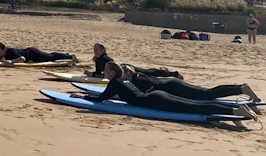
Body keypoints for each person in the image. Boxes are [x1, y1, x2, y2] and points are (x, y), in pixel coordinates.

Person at [72, 62, 258, 121]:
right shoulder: (122, 81)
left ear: (112, 72)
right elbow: (106, 96)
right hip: (156, 96)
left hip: (155, 101)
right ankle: (237, 108)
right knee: (193, 104)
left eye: (105, 70)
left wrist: (84, 96)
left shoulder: (115, 82)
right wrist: (93, 95)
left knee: (193, 108)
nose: (103, 72)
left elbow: (102, 99)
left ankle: (236, 110)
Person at [118, 65, 260, 103]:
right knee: (208, 92)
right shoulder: (139, 75)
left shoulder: (137, 79)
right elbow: (155, 72)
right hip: (172, 83)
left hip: (174, 87)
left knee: (208, 94)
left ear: (128, 73)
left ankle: (241, 89)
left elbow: (146, 92)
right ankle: (240, 88)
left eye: (122, 75)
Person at [85, 43, 183, 79]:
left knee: (149, 73)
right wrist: (92, 74)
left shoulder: (106, 59)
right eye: (94, 49)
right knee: (148, 72)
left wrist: (91, 75)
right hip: (123, 70)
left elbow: (110, 73)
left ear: (103, 50)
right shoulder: (98, 60)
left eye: (97, 49)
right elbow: (100, 73)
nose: (95, 51)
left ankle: (173, 74)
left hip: (127, 69)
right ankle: (169, 73)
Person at [0, 42, 79, 64]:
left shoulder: (10, 52)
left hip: (33, 54)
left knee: (51, 57)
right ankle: (66, 55)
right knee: (49, 55)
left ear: (4, 49)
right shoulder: (4, 54)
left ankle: (71, 57)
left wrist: (12, 61)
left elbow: (22, 59)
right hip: (31, 52)